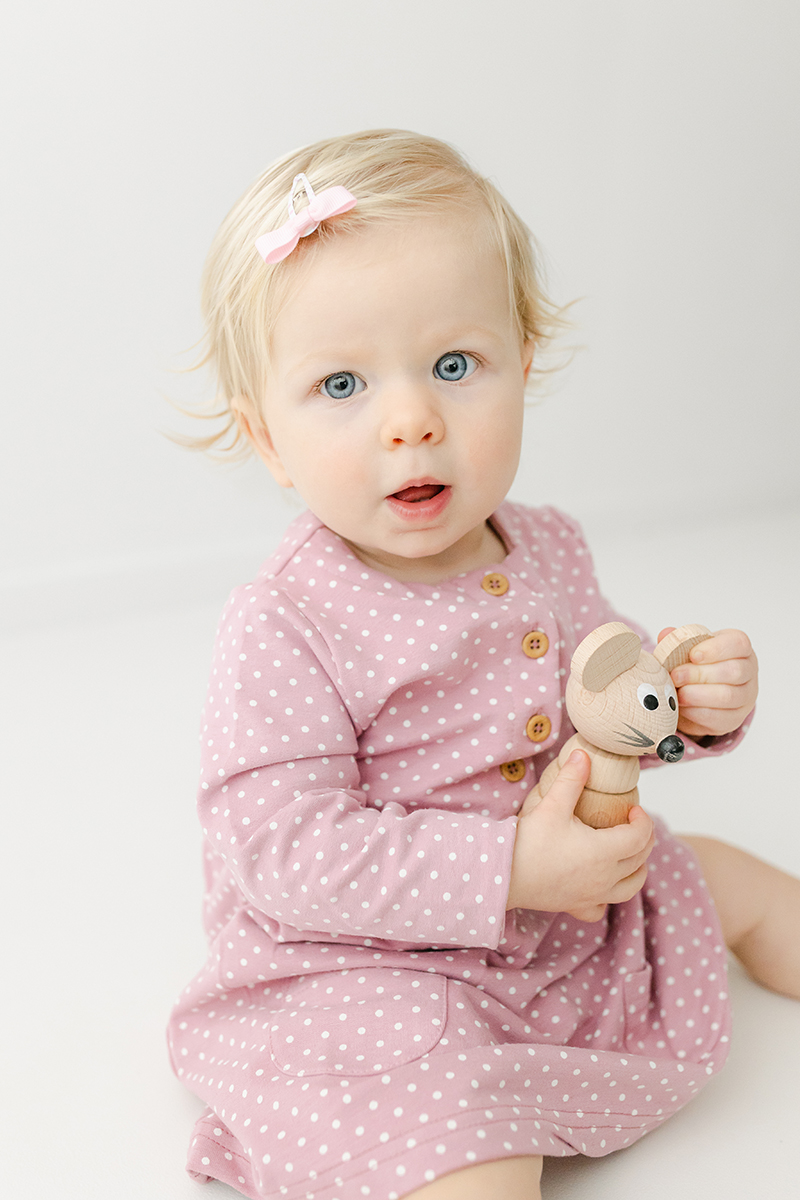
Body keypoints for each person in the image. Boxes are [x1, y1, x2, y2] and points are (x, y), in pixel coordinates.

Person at [168, 130, 794, 1200]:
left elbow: (603, 699)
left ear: (522, 360)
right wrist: (509, 873)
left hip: (560, 918)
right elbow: (280, 852)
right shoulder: (287, 622)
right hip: (371, 961)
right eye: (341, 386)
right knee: (463, 1130)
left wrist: (682, 699)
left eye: (453, 366)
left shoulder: (544, 544)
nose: (411, 420)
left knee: (729, 880)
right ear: (263, 438)